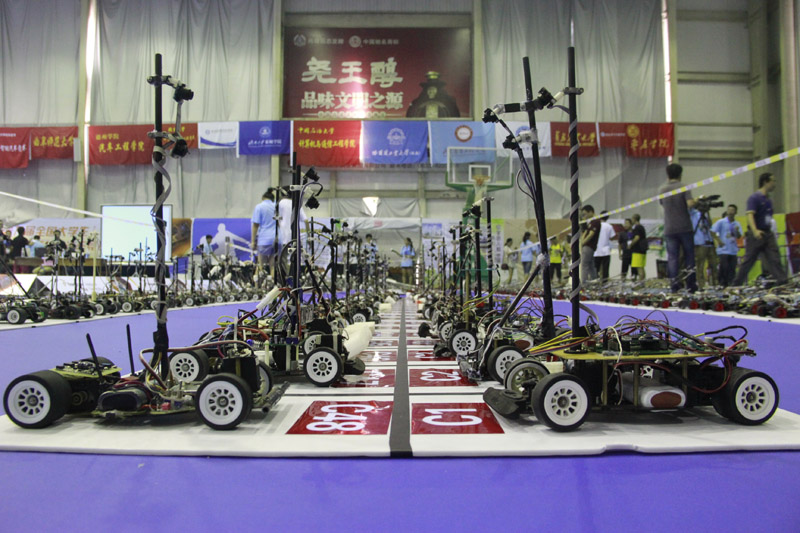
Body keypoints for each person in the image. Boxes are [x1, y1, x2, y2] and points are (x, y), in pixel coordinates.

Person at [732, 173, 787, 286]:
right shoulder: (754, 198)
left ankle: (782, 282)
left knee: (775, 258)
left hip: (767, 233)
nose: (774, 183)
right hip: (756, 234)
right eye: (773, 181)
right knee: (749, 261)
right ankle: (736, 284)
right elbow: (750, 215)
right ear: (765, 182)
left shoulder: (768, 200)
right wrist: (755, 230)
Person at [658, 163, 698, 292]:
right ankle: (691, 285)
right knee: (689, 256)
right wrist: (697, 200)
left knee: (672, 258)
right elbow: (690, 204)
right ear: (680, 174)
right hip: (684, 226)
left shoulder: (662, 189)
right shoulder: (683, 187)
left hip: (669, 228)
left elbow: (663, 204)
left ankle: (674, 285)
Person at [711, 204, 742, 287]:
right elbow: (712, 231)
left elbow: (739, 236)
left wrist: (737, 231)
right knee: (724, 267)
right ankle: (722, 284)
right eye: (729, 210)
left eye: (732, 210)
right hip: (723, 250)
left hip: (733, 250)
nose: (730, 212)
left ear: (735, 212)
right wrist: (719, 241)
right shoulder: (721, 222)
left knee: (732, 268)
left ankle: (731, 284)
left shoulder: (737, 224)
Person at [251, 189, 277, 284]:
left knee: (260, 265)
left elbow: (255, 225)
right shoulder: (276, 206)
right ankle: (273, 286)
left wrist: (253, 241)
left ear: (263, 198)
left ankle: (257, 287)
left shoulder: (259, 207)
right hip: (276, 238)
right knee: (273, 266)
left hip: (264, 239)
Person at [690, 206, 718, 288]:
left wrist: (707, 212)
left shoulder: (705, 214)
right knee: (700, 266)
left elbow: (710, 227)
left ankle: (715, 283)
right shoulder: (694, 213)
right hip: (700, 243)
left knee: (714, 264)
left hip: (709, 242)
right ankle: (701, 284)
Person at [278, 187, 309, 253]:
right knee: (296, 257)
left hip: (284, 237)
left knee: (283, 258)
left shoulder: (281, 203)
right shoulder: (296, 204)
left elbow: (278, 219)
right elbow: (306, 221)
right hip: (296, 238)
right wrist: (309, 236)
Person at [580, 205, 600, 283]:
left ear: (591, 212)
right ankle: (594, 281)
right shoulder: (590, 222)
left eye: (585, 214)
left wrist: (583, 243)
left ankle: (584, 283)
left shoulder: (595, 222)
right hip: (588, 246)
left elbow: (591, 234)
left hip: (589, 246)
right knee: (591, 265)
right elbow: (585, 233)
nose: (585, 216)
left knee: (584, 265)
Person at [593, 211, 615, 281]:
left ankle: (595, 283)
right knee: (605, 270)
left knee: (596, 269)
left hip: (596, 251)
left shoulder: (596, 225)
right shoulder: (609, 226)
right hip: (606, 251)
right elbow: (612, 237)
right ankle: (604, 283)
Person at [629, 214, 647, 280]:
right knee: (641, 267)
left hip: (638, 250)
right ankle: (643, 281)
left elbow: (637, 237)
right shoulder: (641, 227)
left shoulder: (637, 227)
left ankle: (641, 282)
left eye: (632, 219)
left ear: (634, 219)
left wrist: (630, 245)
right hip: (642, 250)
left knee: (639, 267)